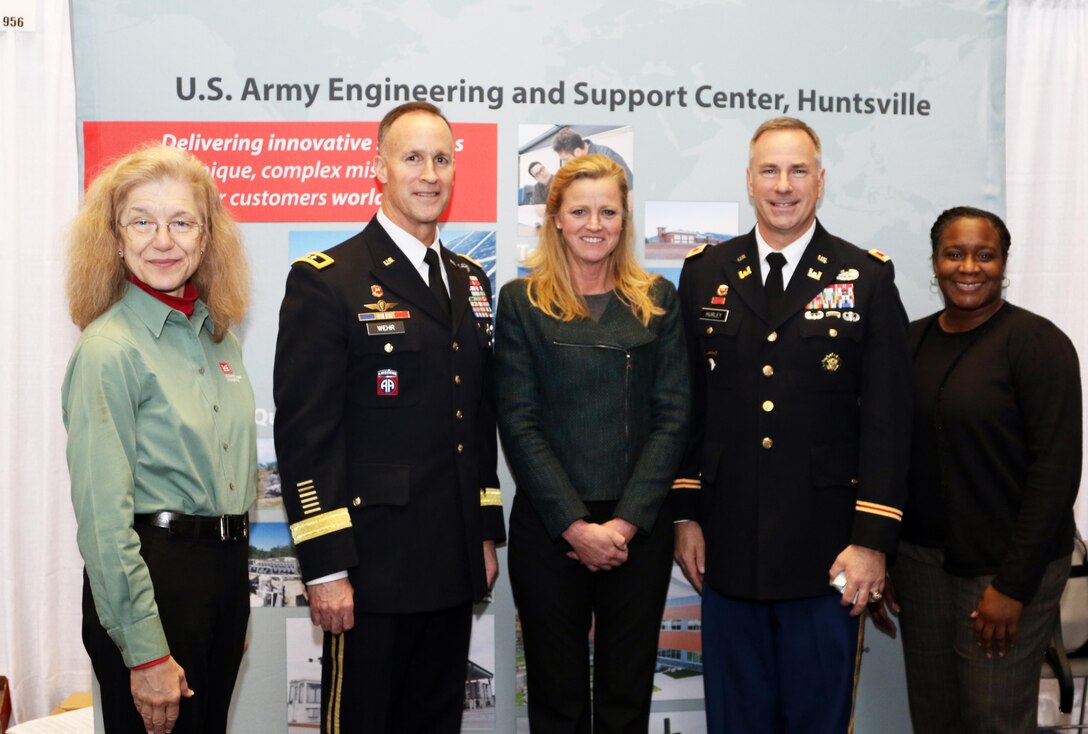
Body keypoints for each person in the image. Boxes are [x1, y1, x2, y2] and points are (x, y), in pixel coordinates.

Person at [671, 116, 912, 732]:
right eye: (770, 171)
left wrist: (872, 541)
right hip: (728, 549)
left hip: (828, 554)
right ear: (748, 182)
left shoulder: (866, 277)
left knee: (816, 719)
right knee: (736, 719)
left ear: (821, 180)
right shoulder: (705, 273)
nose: (784, 185)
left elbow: (888, 419)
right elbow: (690, 407)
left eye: (798, 170)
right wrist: (687, 513)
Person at [273, 101, 504, 733]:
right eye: (412, 158)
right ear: (379, 168)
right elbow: (305, 437)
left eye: (442, 159)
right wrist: (325, 566)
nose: (429, 173)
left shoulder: (469, 279)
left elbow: (476, 419)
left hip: (451, 561)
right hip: (369, 569)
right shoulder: (328, 279)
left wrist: (484, 531)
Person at [62, 144, 255, 734]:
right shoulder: (108, 349)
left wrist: (230, 598)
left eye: (181, 222)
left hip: (219, 577)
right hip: (151, 584)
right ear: (115, 238)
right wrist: (145, 651)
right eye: (142, 222)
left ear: (206, 238)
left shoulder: (217, 336)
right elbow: (103, 523)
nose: (162, 240)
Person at [496, 153, 689, 732]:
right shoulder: (520, 303)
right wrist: (576, 527)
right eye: (579, 210)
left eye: (608, 210)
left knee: (626, 700)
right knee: (556, 702)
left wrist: (625, 524)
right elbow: (519, 423)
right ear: (554, 217)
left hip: (638, 532)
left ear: (625, 217)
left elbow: (673, 419)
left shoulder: (658, 300)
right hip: (551, 529)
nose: (594, 223)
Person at [871, 207, 1081, 734]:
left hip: (1005, 568)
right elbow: (893, 456)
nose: (969, 267)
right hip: (921, 566)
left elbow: (1056, 472)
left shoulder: (1037, 344)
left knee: (993, 717)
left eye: (984, 255)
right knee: (934, 713)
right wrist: (887, 554)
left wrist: (1013, 586)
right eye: (955, 253)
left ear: (1003, 263)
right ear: (936, 261)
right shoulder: (911, 342)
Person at [552, 127, 634, 191]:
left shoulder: (607, 157)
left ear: (578, 152)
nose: (565, 164)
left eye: (565, 159)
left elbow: (630, 189)